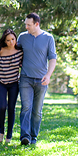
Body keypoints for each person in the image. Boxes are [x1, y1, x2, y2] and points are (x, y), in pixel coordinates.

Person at [17, 12, 57, 145]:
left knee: (37, 111)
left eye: (29, 25)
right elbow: (15, 53)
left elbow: (52, 58)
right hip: (25, 78)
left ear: (36, 24)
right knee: (26, 108)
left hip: (41, 80)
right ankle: (25, 137)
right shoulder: (22, 37)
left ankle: (33, 137)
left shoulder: (48, 38)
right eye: (26, 25)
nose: (26, 27)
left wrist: (48, 75)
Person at [0, 29, 22, 143]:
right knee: (2, 106)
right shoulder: (1, 51)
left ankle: (9, 135)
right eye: (8, 40)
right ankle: (1, 132)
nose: (11, 42)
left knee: (11, 108)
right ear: (5, 41)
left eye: (13, 39)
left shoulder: (20, 52)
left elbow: (24, 66)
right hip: (1, 83)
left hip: (14, 84)